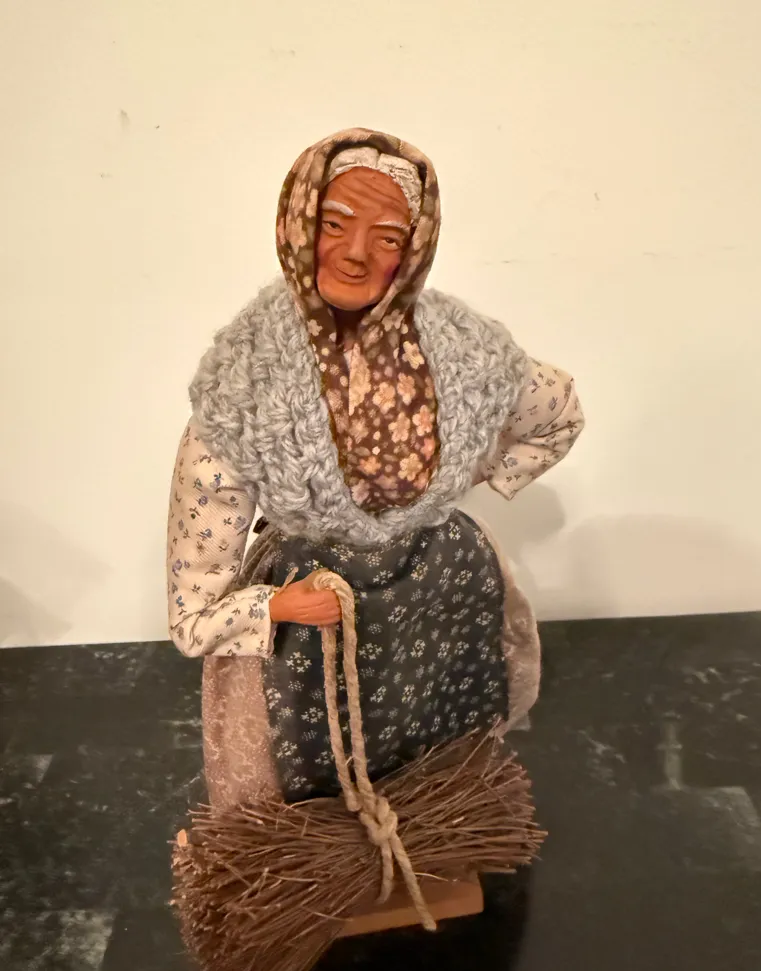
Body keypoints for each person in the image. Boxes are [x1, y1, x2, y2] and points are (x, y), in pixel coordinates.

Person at [167, 127, 584, 807]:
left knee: (442, 747)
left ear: (414, 250)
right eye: (334, 224)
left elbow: (556, 412)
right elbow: (195, 603)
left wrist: (467, 470)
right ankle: (321, 841)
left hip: (442, 591)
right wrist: (277, 604)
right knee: (315, 770)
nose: (357, 253)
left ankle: (437, 813)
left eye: (388, 237)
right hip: (318, 614)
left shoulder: (462, 352)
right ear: (298, 225)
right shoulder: (245, 382)